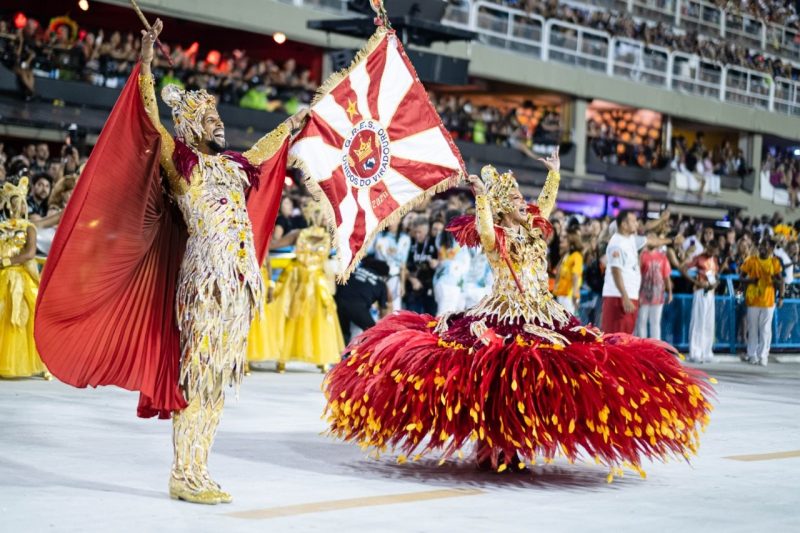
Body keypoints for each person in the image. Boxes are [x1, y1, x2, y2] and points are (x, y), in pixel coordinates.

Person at [35, 20, 309, 505]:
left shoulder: (232, 166)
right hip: (204, 284)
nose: (217, 123)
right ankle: (183, 473)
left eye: (218, 115)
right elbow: (148, 120)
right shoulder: (182, 165)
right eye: (208, 118)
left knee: (219, 382)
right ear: (190, 127)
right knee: (198, 377)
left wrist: (293, 123)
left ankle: (200, 468)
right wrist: (144, 63)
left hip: (238, 287)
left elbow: (265, 152)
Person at [323, 150, 713, 477]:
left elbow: (544, 205)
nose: (518, 207)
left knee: (545, 378)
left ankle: (517, 443)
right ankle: (494, 447)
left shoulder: (531, 230)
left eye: (517, 202)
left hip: (542, 313)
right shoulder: (499, 238)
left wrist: (554, 176)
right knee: (496, 380)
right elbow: (486, 232)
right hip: (503, 315)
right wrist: (480, 197)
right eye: (508, 204)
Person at [268, 200, 344, 372]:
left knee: (297, 317)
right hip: (311, 281)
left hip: (300, 281)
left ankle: (285, 359)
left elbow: (273, 244)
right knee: (314, 318)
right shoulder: (328, 237)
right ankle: (319, 359)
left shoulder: (301, 234)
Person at [0, 178, 49, 379]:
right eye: (11, 202)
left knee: (20, 315)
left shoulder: (29, 227)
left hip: (19, 274)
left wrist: (6, 261)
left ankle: (22, 362)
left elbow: (29, 253)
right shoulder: (2, 226)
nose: (14, 206)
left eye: (18, 202)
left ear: (23, 205)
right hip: (2, 274)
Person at [740, 239, 785, 366]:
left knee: (765, 329)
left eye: (765, 246)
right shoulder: (751, 260)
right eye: (761, 245)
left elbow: (781, 281)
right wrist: (750, 281)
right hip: (753, 299)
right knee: (752, 328)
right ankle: (752, 354)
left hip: (768, 300)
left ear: (771, 248)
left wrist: (781, 297)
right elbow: (741, 277)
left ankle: (763, 355)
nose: (762, 248)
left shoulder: (774, 262)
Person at [601, 210, 644, 334]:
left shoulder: (630, 239)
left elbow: (650, 240)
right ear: (624, 225)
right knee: (615, 339)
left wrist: (671, 241)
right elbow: (616, 271)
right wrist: (625, 297)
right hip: (618, 297)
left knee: (626, 339)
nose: (637, 224)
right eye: (634, 221)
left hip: (629, 295)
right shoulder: (617, 243)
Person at [334, 256, 391, 345]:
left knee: (342, 330)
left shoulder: (356, 270)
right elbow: (383, 309)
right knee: (374, 333)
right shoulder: (381, 283)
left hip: (339, 301)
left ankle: (340, 352)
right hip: (358, 307)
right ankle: (364, 355)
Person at [681, 240, 720, 364]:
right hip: (700, 292)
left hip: (711, 294)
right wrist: (696, 282)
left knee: (709, 323)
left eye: (715, 250)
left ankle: (707, 352)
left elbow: (715, 276)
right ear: (707, 246)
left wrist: (715, 284)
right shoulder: (698, 258)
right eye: (711, 248)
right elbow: (683, 269)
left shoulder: (714, 260)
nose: (712, 251)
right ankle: (695, 353)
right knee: (698, 322)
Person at [636, 233, 672, 339]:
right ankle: (642, 347)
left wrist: (669, 292)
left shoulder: (662, 257)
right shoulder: (642, 255)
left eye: (653, 238)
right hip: (643, 294)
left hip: (658, 294)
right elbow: (637, 274)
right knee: (641, 322)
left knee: (655, 323)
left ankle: (656, 347)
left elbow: (666, 276)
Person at [373, 220, 411, 312]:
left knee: (395, 309)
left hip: (394, 277)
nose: (390, 222)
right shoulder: (378, 236)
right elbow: (368, 253)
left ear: (399, 220)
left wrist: (402, 284)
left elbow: (403, 263)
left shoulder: (404, 239)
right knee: (378, 309)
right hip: (378, 277)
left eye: (394, 219)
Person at [403, 217, 437, 315]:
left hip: (429, 286)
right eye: (415, 232)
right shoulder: (410, 242)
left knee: (430, 318)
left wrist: (437, 262)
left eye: (420, 232)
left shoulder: (434, 243)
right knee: (412, 318)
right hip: (413, 286)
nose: (417, 235)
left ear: (427, 231)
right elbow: (402, 264)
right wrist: (412, 279)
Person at [553, 226, 583, 315]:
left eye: (565, 238)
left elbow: (575, 274)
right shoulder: (567, 255)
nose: (562, 239)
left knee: (568, 322)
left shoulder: (577, 256)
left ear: (571, 241)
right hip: (561, 294)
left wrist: (575, 293)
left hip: (569, 296)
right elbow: (559, 272)